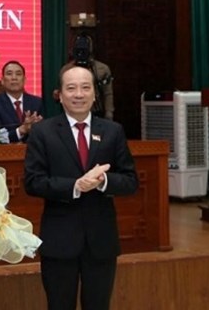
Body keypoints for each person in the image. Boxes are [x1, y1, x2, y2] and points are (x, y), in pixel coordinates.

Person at [24, 63, 138, 310]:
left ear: (95, 94)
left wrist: (103, 182)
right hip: (59, 240)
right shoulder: (43, 132)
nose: (79, 94)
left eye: (86, 88)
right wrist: (75, 186)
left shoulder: (112, 131)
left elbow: (130, 180)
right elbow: (33, 182)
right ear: (60, 95)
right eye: (71, 88)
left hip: (101, 241)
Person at [0, 60, 44, 142]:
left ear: (24, 80)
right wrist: (21, 130)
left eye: (18, 74)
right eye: (9, 74)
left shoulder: (37, 102)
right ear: (2, 80)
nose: (14, 78)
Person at [71, 33, 114, 120]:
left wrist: (109, 112)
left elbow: (108, 93)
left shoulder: (102, 69)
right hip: (74, 113)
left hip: (96, 112)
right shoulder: (68, 70)